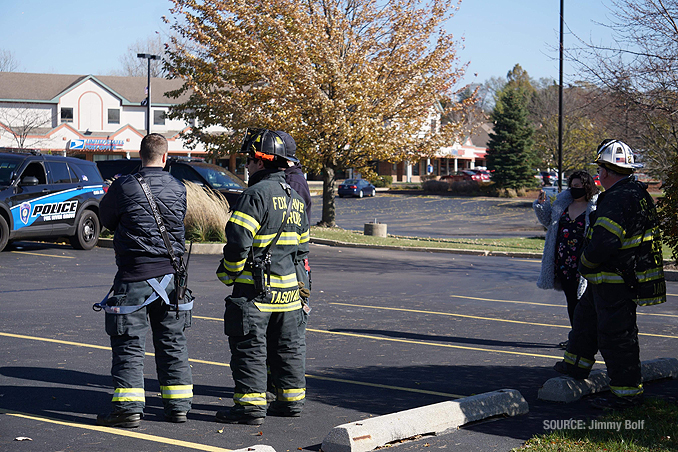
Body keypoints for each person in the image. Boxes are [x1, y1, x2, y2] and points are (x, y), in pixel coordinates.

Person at [553, 139, 666, 410]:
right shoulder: (634, 193)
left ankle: (626, 396)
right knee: (584, 321)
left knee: (616, 337)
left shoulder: (618, 198)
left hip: (616, 280)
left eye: (600, 170)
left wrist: (585, 263)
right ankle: (575, 367)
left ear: (604, 172)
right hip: (607, 279)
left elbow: (605, 240)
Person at [96, 133, 193, 427]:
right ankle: (178, 407)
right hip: (172, 279)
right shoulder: (178, 187)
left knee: (129, 343)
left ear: (140, 156)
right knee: (173, 342)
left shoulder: (124, 186)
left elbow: (107, 220)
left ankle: (128, 410)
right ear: (165, 157)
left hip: (134, 275)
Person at [216, 129, 310, 425]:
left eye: (249, 159)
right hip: (290, 296)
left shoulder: (254, 195)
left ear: (260, 161)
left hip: (255, 294)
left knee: (250, 349)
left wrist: (228, 273)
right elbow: (301, 250)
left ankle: (250, 408)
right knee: (287, 349)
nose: (246, 164)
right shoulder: (295, 198)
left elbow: (238, 242)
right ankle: (290, 401)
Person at [533, 170, 598, 349]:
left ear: (587, 186)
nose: (574, 190)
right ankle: (576, 338)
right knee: (572, 303)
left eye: (578, 186)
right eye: (572, 186)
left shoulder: (595, 207)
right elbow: (549, 223)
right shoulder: (563, 204)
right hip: (563, 263)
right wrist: (541, 205)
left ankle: (588, 339)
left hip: (584, 264)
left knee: (585, 304)